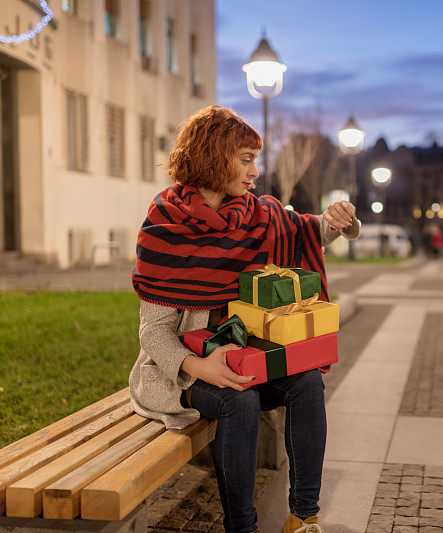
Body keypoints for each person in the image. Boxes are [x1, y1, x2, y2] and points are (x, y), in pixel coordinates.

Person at [128, 106, 359, 533]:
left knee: (308, 381)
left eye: (256, 159)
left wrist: (331, 221)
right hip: (185, 372)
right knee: (240, 399)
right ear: (214, 156)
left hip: (249, 359)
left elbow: (302, 231)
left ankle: (302, 517)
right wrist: (200, 366)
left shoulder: (256, 214)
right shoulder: (165, 226)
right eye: (246, 158)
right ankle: (242, 527)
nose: (255, 172)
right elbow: (153, 333)